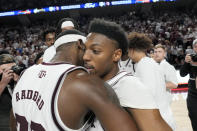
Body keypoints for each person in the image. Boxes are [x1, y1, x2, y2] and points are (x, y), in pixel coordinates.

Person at [11, 30, 137, 131]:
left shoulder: (25, 74)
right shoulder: (84, 81)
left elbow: (13, 121)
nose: (89, 57)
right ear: (80, 44)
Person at [83, 19, 172, 131]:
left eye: (95, 51)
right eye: (84, 49)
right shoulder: (94, 83)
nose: (85, 57)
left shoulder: (128, 86)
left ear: (116, 55)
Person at [127, 32, 175, 130]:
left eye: (127, 51)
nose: (128, 55)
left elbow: (148, 94)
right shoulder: (148, 63)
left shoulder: (144, 65)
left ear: (131, 50)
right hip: (161, 116)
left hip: (157, 120)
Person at [180, 38, 197, 131]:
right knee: (194, 116)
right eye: (195, 46)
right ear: (193, 48)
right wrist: (186, 62)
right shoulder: (190, 57)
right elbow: (182, 74)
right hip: (193, 93)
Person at [0, 54, 20, 131]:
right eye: (4, 69)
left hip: (19, 124)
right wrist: (3, 83)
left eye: (12, 68)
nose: (9, 72)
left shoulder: (20, 78)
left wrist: (19, 82)